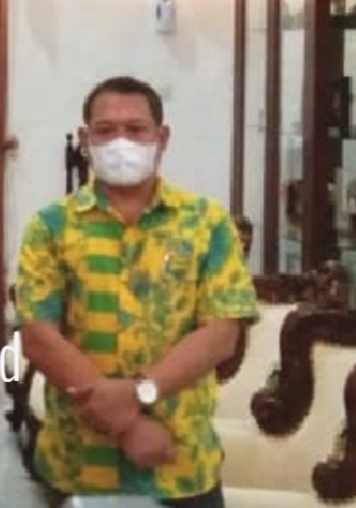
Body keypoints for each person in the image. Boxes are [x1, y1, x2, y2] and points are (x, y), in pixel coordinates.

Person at [15, 76, 258, 508]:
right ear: (86, 140)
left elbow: (222, 334)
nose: (121, 142)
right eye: (106, 130)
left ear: (162, 139)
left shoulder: (207, 223)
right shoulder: (51, 226)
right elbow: (38, 335)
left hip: (180, 463)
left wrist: (141, 391)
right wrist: (128, 424)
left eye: (136, 129)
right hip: (78, 464)